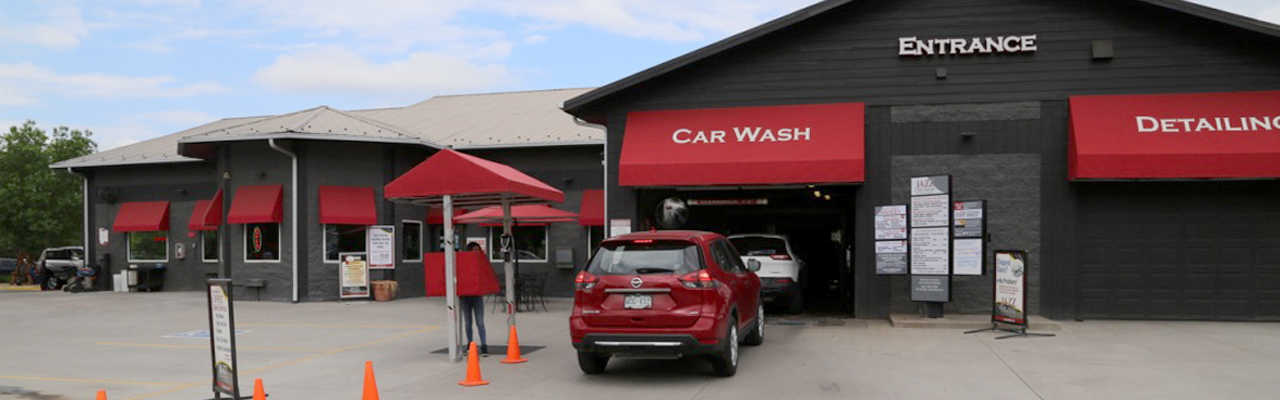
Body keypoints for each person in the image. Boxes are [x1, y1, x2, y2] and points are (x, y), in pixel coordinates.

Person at [460, 242, 488, 356]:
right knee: (468, 322)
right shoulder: (464, 264)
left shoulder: (481, 263)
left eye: (478, 250)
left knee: (480, 322)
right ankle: (470, 343)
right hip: (466, 296)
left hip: (477, 296)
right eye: (475, 250)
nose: (477, 252)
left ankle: (484, 345)